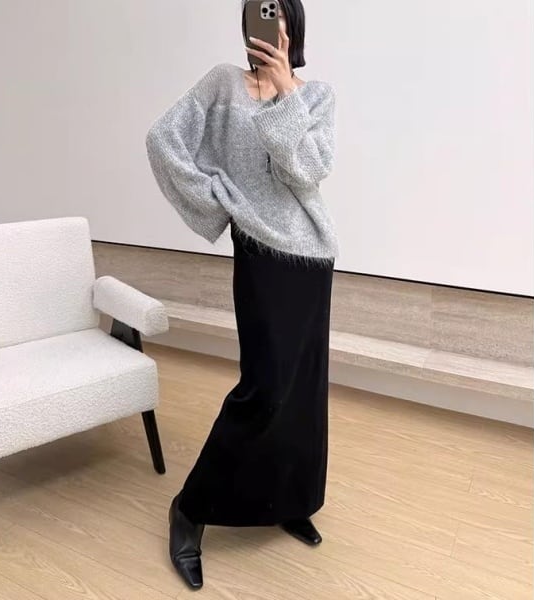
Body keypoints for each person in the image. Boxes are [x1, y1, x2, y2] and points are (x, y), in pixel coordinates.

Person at [145, 0, 339, 590]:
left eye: (277, 14)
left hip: (313, 255)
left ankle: (289, 500)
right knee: (265, 388)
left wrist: (285, 93)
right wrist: (217, 200)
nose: (267, 25)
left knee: (302, 391)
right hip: (259, 250)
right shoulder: (221, 84)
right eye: (258, 13)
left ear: (293, 28)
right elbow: (162, 139)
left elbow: (307, 173)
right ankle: (190, 508)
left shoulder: (316, 95)